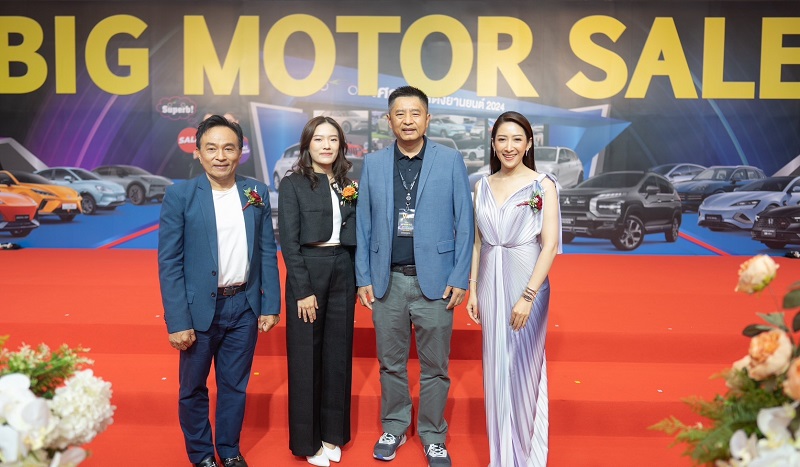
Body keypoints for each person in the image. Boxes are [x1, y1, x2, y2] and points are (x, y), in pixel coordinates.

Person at [355, 86, 474, 466]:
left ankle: (433, 435)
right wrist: (363, 277)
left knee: (435, 368)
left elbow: (465, 222)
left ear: (428, 118)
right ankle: (394, 426)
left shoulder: (450, 160)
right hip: (387, 281)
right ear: (388, 120)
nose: (408, 120)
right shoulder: (373, 163)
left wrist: (460, 276)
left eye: (415, 113)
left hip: (436, 283)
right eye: (400, 114)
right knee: (390, 363)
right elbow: (363, 224)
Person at [158, 115, 282, 467]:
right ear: (197, 152)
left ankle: (228, 451)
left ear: (241, 152)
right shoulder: (180, 195)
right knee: (193, 388)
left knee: (234, 386)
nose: (220, 156)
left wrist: (270, 304)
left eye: (229, 148)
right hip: (199, 310)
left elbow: (266, 251)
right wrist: (177, 321)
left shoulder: (255, 192)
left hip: (243, 307)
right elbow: (169, 262)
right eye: (211, 148)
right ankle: (201, 456)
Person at [465, 111, 562, 467]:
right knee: (495, 369)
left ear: (529, 144)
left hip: (527, 283)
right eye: (502, 139)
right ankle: (501, 457)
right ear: (493, 144)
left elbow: (549, 245)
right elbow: (477, 243)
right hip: (489, 281)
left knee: (522, 367)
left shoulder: (543, 185)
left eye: (517, 139)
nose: (509, 146)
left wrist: (528, 296)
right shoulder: (482, 185)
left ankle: (525, 458)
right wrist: (473, 289)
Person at [278, 116, 358, 467]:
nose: (327, 145)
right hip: (308, 269)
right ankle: (307, 441)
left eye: (333, 139)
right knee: (305, 358)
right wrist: (302, 290)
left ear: (341, 145)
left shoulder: (347, 183)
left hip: (343, 267)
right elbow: (289, 242)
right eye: (319, 139)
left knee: (338, 354)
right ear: (307, 144)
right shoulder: (293, 183)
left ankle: (332, 434)